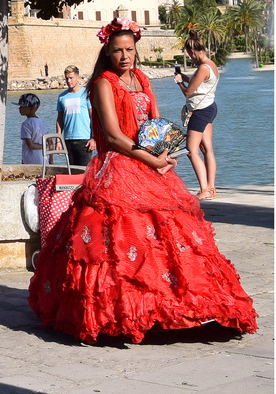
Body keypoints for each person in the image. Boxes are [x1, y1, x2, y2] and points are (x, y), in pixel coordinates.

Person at [28, 19, 257, 343]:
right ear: (107, 51)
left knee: (171, 238)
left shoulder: (141, 78)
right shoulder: (103, 83)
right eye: (118, 50)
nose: (125, 56)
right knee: (119, 239)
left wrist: (164, 151)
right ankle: (124, 311)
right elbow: (113, 136)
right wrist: (152, 159)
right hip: (118, 167)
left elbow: (155, 124)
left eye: (130, 50)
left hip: (152, 164)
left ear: (136, 50)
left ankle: (176, 308)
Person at [174, 31, 219, 199]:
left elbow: (188, 92)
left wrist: (179, 82)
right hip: (210, 108)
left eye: (189, 54)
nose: (190, 57)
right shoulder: (211, 65)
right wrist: (185, 77)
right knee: (207, 148)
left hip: (200, 111)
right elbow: (201, 86)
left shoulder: (202, 68)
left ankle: (204, 189)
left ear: (193, 51)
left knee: (191, 150)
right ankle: (212, 188)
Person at [54, 65, 95, 168]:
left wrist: (94, 138)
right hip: (68, 140)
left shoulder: (86, 94)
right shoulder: (62, 97)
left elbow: (93, 116)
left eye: (71, 78)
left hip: (84, 139)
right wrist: (58, 140)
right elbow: (59, 120)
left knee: (84, 172)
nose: (69, 81)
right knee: (72, 172)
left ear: (78, 78)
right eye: (67, 78)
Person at [17, 93, 49, 166]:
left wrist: (42, 146)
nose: (19, 108)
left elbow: (30, 145)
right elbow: (49, 141)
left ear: (31, 108)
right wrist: (50, 159)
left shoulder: (26, 124)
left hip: (31, 160)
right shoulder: (42, 122)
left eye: (22, 106)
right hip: (43, 158)